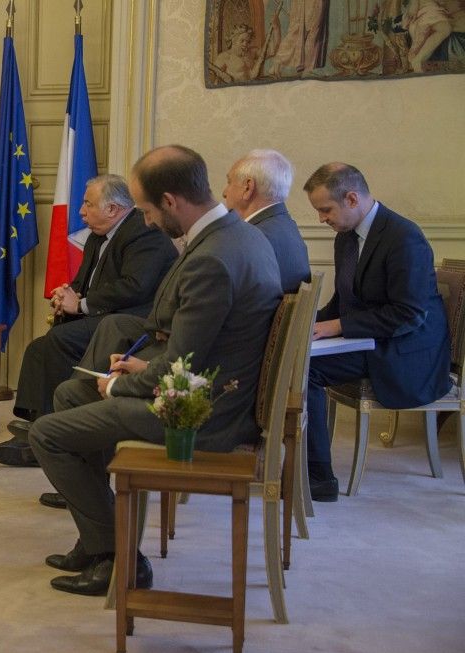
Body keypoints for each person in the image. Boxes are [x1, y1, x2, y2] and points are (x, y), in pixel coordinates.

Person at [28, 145, 282, 596]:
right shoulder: (234, 235)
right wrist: (139, 367)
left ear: (170, 201)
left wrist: (120, 383)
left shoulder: (211, 257)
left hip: (203, 415)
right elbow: (196, 349)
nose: (144, 221)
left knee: (46, 434)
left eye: (145, 209)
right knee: (69, 396)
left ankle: (118, 558)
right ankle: (97, 539)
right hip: (208, 386)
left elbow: (179, 369)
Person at [0, 174, 177, 468]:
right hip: (105, 316)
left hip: (133, 323)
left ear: (112, 209)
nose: (80, 211)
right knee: (39, 346)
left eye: (87, 204)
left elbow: (135, 286)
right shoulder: (98, 236)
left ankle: (46, 433)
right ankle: (35, 428)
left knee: (59, 341)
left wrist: (82, 304)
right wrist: (67, 295)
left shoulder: (143, 233)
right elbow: (82, 283)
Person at [303, 163, 450, 501]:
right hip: (372, 340)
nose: (321, 218)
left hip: (404, 352)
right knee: (296, 355)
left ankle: (319, 479)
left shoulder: (404, 238)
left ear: (352, 198)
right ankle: (300, 462)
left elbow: (408, 314)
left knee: (305, 370)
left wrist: (336, 326)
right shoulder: (345, 237)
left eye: (325, 209)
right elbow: (345, 301)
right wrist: (310, 325)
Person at [222, 148, 311, 292]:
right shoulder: (287, 226)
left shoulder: (251, 238)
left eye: (229, 182)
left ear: (248, 188)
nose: (224, 192)